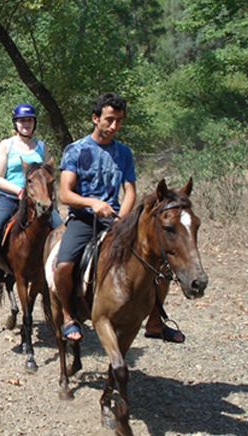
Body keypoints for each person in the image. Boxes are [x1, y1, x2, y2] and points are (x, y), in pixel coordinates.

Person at [54, 92, 182, 344]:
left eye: (119, 121)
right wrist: (92, 203)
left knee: (159, 262)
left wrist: (122, 218)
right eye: (109, 120)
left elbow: (130, 190)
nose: (114, 126)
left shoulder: (123, 152)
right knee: (64, 266)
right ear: (95, 118)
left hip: (116, 220)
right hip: (83, 220)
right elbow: (65, 194)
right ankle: (69, 316)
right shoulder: (76, 150)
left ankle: (155, 321)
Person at [0, 104, 65, 302]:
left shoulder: (41, 147)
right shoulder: (6, 145)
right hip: (9, 198)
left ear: (34, 123)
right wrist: (18, 190)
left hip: (38, 201)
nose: (26, 124)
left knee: (63, 233)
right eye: (22, 120)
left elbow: (48, 177)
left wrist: (53, 204)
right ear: (15, 123)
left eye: (29, 120)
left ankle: (63, 284)